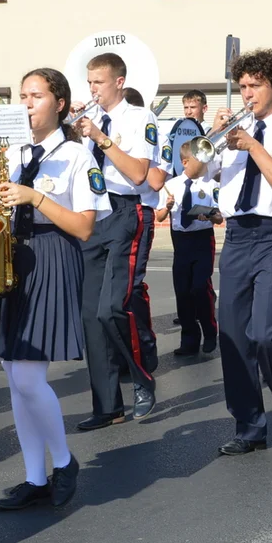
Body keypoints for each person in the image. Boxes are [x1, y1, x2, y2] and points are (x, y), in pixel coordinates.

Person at [0, 67, 109, 510]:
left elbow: (84, 228)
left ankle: (64, 462)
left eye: (36, 96)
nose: (26, 104)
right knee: (14, 377)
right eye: (23, 96)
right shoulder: (10, 153)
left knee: (29, 375)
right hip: (12, 256)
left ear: (61, 104)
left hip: (51, 258)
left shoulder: (77, 156)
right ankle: (34, 476)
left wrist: (35, 198)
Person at [211, 49, 272, 455]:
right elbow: (195, 169)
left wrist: (252, 145)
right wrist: (213, 134)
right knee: (232, 335)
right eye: (243, 86)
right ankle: (249, 426)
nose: (247, 93)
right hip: (236, 236)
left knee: (269, 333)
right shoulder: (234, 131)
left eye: (255, 85)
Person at [73, 53, 161, 430]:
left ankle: (142, 379)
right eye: (89, 82)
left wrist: (100, 137)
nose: (93, 89)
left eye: (99, 82)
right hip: (93, 214)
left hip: (126, 212)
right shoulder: (85, 121)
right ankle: (108, 405)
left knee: (113, 306)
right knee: (91, 317)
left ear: (119, 82)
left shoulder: (141, 118)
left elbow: (140, 174)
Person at [154, 141, 221, 356]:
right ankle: (189, 339)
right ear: (185, 162)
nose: (203, 163)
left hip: (202, 239)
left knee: (200, 288)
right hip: (181, 242)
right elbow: (160, 216)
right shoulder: (172, 185)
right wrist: (168, 207)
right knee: (183, 293)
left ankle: (210, 331)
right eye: (198, 159)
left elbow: (219, 217)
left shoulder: (210, 184)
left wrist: (209, 215)